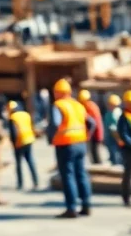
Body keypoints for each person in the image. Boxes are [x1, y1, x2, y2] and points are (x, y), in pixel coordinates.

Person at [47, 78, 94, 218]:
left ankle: (71, 208)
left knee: (68, 175)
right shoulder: (78, 105)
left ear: (57, 93)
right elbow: (91, 122)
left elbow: (55, 124)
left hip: (65, 144)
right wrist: (86, 136)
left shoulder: (58, 105)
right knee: (81, 173)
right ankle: (86, 205)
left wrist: (51, 138)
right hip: (80, 143)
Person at [6, 101, 39, 190]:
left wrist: (14, 143)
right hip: (29, 139)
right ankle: (36, 181)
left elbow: (13, 133)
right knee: (30, 160)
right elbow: (31, 126)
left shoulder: (12, 117)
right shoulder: (26, 114)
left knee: (19, 163)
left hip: (19, 141)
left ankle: (20, 183)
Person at [79, 89, 104, 165]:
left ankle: (99, 170)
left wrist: (89, 134)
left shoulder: (89, 107)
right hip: (95, 133)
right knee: (94, 153)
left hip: (95, 134)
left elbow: (93, 123)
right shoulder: (92, 105)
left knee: (95, 153)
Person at [103, 94, 124, 166]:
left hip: (113, 137)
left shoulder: (113, 113)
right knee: (115, 154)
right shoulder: (115, 113)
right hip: (113, 137)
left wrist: (118, 139)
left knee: (115, 155)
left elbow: (113, 129)